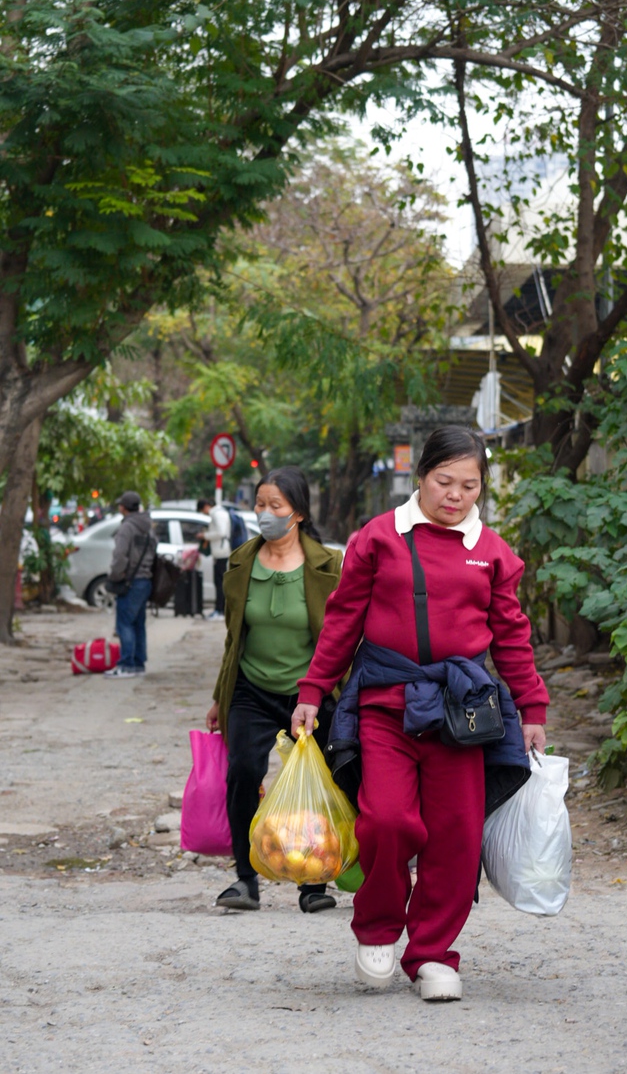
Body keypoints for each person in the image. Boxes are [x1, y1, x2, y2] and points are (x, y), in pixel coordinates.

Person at [291, 426, 549, 1001]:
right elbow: (342, 620)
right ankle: (378, 928)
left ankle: (433, 953)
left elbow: (511, 635)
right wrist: (313, 691)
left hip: (464, 714)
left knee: (456, 835)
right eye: (444, 481)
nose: (455, 495)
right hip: (386, 702)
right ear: (421, 476)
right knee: (387, 819)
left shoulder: (492, 551)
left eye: (469, 485)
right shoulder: (379, 538)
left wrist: (531, 705)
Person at [205, 466, 343, 913]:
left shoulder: (327, 567)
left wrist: (323, 691)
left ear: (298, 513)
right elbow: (232, 637)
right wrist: (218, 695)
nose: (265, 514)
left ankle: (314, 881)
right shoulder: (242, 561)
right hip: (251, 687)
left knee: (316, 784)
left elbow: (339, 636)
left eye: (275, 506)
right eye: (260, 505)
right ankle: (246, 879)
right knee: (243, 771)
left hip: (311, 693)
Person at [104, 491, 157, 679]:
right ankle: (138, 663)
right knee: (138, 624)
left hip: (130, 582)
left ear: (123, 508)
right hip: (145, 581)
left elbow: (119, 556)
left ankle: (126, 665)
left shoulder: (127, 528)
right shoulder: (148, 527)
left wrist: (116, 576)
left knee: (124, 623)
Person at [196, 498, 231, 619]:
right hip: (221, 551)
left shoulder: (217, 514)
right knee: (219, 581)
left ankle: (220, 610)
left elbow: (221, 532)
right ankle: (220, 609)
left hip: (221, 552)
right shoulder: (220, 512)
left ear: (206, 506)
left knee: (219, 582)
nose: (204, 513)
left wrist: (205, 535)